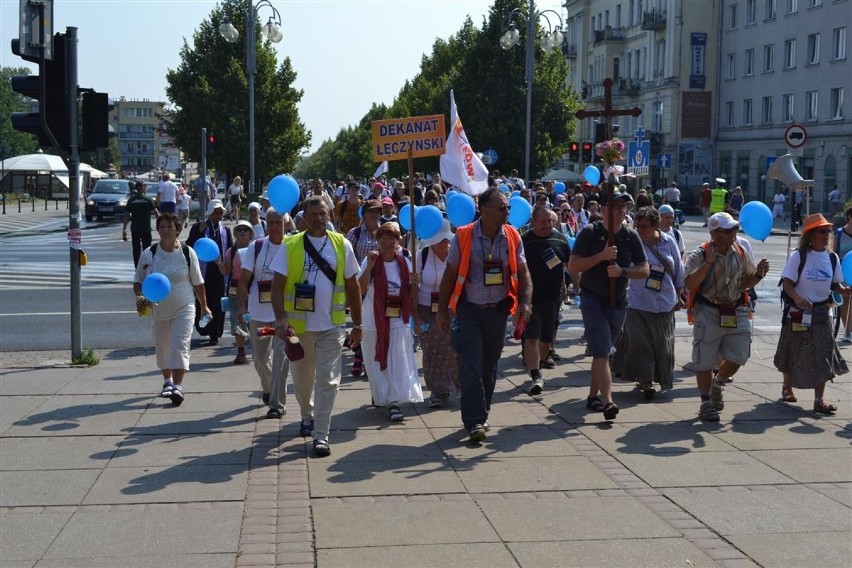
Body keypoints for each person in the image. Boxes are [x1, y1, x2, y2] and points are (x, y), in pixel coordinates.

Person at [437, 188, 533, 443]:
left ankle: (482, 412)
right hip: (468, 310)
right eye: (502, 208)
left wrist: (525, 301)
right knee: (471, 365)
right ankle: (474, 420)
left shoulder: (512, 235)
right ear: (485, 210)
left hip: (498, 311)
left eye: (508, 208)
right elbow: (450, 274)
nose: (507, 213)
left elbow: (523, 272)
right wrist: (442, 310)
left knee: (489, 367)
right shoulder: (465, 235)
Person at [270, 196, 363, 457]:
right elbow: (277, 286)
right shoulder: (289, 246)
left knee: (329, 381)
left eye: (323, 214)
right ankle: (306, 413)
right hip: (299, 328)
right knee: (303, 379)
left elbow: (354, 287)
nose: (319, 219)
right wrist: (280, 318)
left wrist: (358, 324)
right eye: (313, 215)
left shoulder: (341, 244)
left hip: (332, 327)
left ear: (330, 215)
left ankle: (321, 434)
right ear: (303, 219)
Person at [568, 191, 649, 421]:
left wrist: (623, 271)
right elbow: (573, 265)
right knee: (603, 350)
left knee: (601, 352)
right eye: (614, 206)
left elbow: (644, 269)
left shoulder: (630, 236)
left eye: (623, 207)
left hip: (619, 301)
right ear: (603, 209)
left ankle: (593, 396)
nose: (620, 211)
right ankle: (609, 402)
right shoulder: (590, 233)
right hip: (593, 299)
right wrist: (601, 256)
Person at [683, 212, 769, 421]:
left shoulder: (739, 251)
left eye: (734, 229)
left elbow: (745, 283)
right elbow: (689, 284)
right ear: (715, 233)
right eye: (729, 230)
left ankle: (718, 382)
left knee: (740, 355)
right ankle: (706, 402)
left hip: (735, 309)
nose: (734, 233)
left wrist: (758, 274)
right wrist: (708, 264)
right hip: (709, 311)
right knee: (703, 360)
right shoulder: (701, 254)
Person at [133, 213, 211, 406]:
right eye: (162, 227)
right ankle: (167, 381)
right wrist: (140, 298)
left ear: (177, 229)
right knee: (162, 348)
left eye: (170, 227)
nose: (166, 230)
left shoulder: (187, 252)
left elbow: (198, 283)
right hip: (158, 310)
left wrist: (204, 306)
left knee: (180, 344)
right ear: (158, 230)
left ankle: (178, 386)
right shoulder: (149, 254)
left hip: (184, 306)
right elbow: (138, 282)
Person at [774, 214, 849, 413]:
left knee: (824, 355)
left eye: (828, 231)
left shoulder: (832, 258)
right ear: (810, 235)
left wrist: (843, 289)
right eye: (821, 231)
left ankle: (819, 399)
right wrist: (797, 299)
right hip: (798, 313)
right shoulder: (799, 256)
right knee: (792, 351)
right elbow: (787, 284)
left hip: (822, 313)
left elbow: (835, 283)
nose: (826, 235)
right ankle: (787, 387)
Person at [358, 222, 423, 421]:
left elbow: (413, 292)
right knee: (375, 359)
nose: (388, 242)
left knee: (396, 360)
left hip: (397, 318)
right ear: (377, 240)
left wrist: (415, 281)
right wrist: (369, 266)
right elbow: (360, 288)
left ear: (397, 241)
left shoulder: (404, 261)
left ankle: (394, 401)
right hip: (373, 318)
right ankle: (381, 393)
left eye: (392, 238)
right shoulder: (371, 259)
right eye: (383, 238)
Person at [620, 207, 684, 398]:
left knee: (663, 346)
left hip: (664, 302)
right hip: (638, 302)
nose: (639, 230)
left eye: (644, 226)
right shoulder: (631, 243)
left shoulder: (668, 241)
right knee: (641, 344)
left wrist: (679, 296)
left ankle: (658, 378)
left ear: (656, 225)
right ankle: (646, 381)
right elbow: (623, 269)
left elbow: (678, 272)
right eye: (637, 225)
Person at [236, 210, 290, 416]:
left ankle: (277, 404)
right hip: (260, 315)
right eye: (272, 223)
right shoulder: (256, 247)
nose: (275, 226)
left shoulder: (292, 245)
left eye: (279, 222)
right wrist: (242, 306)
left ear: (285, 223)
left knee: (280, 361)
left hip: (282, 318)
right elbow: (243, 279)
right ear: (266, 224)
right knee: (259, 358)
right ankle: (268, 388)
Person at [521, 205, 571, 395]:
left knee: (546, 341)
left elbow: (569, 263)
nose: (547, 225)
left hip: (553, 298)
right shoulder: (524, 241)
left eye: (550, 221)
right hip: (530, 299)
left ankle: (538, 366)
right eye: (543, 222)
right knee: (532, 337)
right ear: (532, 222)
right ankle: (535, 375)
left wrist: (569, 287)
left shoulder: (560, 239)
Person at [414, 219, 459, 408]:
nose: (443, 244)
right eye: (439, 241)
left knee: (452, 349)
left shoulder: (454, 256)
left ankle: (456, 386)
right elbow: (413, 288)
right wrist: (415, 317)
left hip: (449, 309)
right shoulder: (421, 256)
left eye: (445, 241)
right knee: (431, 350)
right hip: (426, 310)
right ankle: (437, 391)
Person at [187, 199, 233, 345]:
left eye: (220, 212)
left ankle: (215, 333)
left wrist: (228, 267)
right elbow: (190, 246)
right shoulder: (199, 227)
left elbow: (230, 250)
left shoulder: (225, 230)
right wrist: (198, 232)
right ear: (210, 213)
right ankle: (204, 328)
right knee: (202, 300)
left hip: (219, 270)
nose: (219, 215)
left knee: (217, 302)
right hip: (202, 270)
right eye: (216, 212)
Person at [224, 220, 254, 365]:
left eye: (246, 229)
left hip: (253, 290)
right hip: (235, 290)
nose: (243, 232)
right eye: (239, 229)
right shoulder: (231, 252)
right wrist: (217, 262)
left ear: (250, 234)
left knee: (254, 321)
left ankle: (258, 351)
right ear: (235, 234)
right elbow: (225, 271)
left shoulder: (256, 249)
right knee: (238, 320)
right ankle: (241, 352)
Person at [122, 181, 159, 267]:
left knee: (136, 249)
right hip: (146, 228)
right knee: (147, 249)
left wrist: (124, 229)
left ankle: (137, 267)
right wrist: (161, 224)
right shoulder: (148, 199)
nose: (145, 188)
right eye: (144, 186)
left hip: (135, 228)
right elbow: (156, 213)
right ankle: (147, 266)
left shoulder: (132, 200)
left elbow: (126, 215)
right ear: (141, 188)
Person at [834, 207, 852, 343]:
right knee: (846, 301)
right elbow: (833, 254)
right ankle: (847, 331)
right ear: (849, 218)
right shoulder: (839, 234)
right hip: (844, 272)